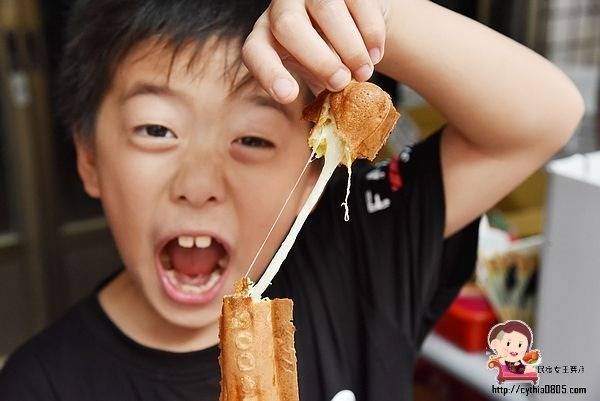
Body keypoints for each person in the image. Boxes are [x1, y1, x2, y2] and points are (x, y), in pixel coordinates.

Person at [0, 0, 583, 400]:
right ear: (88, 159)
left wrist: (371, 11)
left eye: (252, 138)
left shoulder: (360, 251)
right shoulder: (41, 384)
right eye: (157, 129)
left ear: (314, 172)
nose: (199, 183)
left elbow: (544, 117)